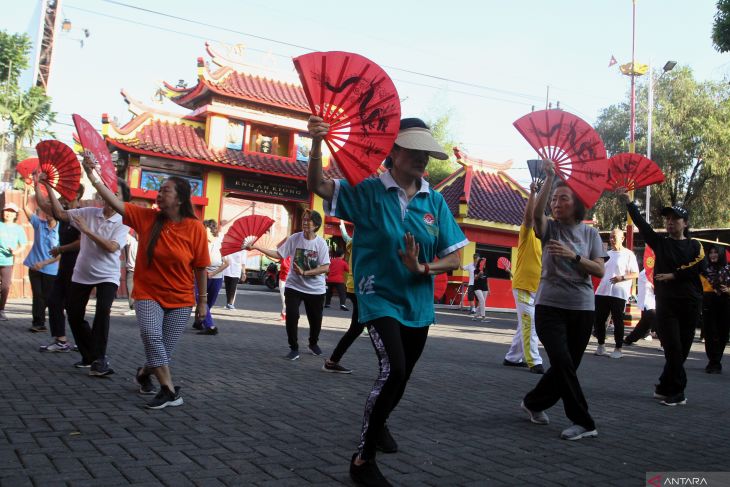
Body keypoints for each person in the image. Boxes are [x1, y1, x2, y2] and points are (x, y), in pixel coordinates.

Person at [307, 116, 468, 486]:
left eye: (427, 152)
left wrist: (422, 266)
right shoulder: (367, 191)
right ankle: (363, 459)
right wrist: (316, 144)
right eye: (414, 149)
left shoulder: (435, 200)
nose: (423, 158)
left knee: (403, 377)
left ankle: (379, 423)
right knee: (393, 370)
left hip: (418, 304)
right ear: (392, 152)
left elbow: (456, 257)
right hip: (377, 295)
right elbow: (317, 184)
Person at [82, 158, 209, 409]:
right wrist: (92, 174)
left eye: (166, 190)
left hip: (181, 299)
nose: (159, 194)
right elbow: (114, 201)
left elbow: (201, 267)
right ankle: (169, 391)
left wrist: (202, 302)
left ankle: (143, 374)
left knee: (163, 351)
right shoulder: (146, 218)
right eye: (159, 190)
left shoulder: (196, 228)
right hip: (148, 293)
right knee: (152, 336)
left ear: (180, 199)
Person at [520, 160, 606, 441]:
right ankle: (583, 421)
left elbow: (599, 270)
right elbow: (536, 216)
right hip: (549, 306)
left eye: (563, 198)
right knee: (562, 361)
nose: (557, 203)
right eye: (554, 199)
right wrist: (549, 179)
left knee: (565, 366)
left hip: (582, 308)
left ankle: (533, 402)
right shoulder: (550, 230)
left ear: (576, 203)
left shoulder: (590, 233)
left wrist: (574, 256)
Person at [618, 191, 704, 406]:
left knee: (682, 351)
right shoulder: (660, 242)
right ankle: (678, 393)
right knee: (673, 348)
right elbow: (642, 225)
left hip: (690, 304)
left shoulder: (695, 246)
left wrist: (674, 275)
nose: (670, 223)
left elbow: (700, 267)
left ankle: (664, 387)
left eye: (675, 219)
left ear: (685, 223)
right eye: (667, 219)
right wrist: (630, 204)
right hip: (666, 305)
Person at [42, 174, 130, 376]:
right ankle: (90, 354)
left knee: (102, 312)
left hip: (108, 275)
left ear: (122, 200)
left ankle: (100, 359)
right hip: (82, 272)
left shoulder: (123, 223)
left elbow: (111, 247)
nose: (110, 195)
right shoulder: (90, 212)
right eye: (108, 191)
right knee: (73, 313)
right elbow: (60, 214)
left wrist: (86, 231)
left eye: (116, 193)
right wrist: (48, 186)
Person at [248, 209, 330, 360]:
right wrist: (257, 247)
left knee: (316, 320)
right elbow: (279, 254)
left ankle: (313, 343)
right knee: (292, 315)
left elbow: (325, 267)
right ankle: (294, 347)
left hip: (315, 289)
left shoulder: (321, 243)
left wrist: (305, 273)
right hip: (294, 286)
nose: (305, 222)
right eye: (304, 219)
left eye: (308, 220)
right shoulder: (294, 238)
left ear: (316, 225)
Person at [36, 183, 84, 352]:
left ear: (77, 194)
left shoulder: (82, 214)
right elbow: (43, 205)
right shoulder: (63, 214)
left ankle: (84, 341)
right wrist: (40, 183)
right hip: (64, 266)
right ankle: (61, 340)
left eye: (67, 191)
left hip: (78, 266)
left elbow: (81, 242)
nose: (63, 194)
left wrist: (61, 249)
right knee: (54, 300)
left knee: (74, 306)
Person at [503, 182, 544, 374]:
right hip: (523, 286)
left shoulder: (547, 240)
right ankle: (534, 360)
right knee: (530, 323)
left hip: (539, 289)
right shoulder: (528, 234)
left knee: (525, 323)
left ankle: (512, 357)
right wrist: (533, 194)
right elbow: (528, 218)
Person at [323, 220, 363, 374]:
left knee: (357, 328)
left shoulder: (353, 241)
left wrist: (341, 224)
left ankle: (333, 361)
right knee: (376, 328)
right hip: (363, 288)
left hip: (354, 286)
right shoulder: (364, 242)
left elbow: (346, 236)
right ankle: (392, 370)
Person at [593, 228, 639, 359]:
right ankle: (601, 345)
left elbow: (635, 273)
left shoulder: (628, 254)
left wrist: (622, 278)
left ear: (622, 238)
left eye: (614, 237)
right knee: (599, 320)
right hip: (602, 291)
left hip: (619, 292)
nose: (612, 240)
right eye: (611, 237)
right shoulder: (607, 254)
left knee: (618, 320)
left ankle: (618, 348)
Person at [22, 186, 59, 333]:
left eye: (52, 212)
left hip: (50, 268)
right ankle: (38, 323)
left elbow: (61, 253)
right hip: (34, 266)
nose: (48, 214)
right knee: (37, 295)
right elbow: (25, 208)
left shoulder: (61, 230)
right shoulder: (39, 224)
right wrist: (27, 189)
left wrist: (45, 262)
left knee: (47, 297)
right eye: (47, 211)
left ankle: (50, 322)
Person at [193, 220, 228, 335]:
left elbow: (226, 263)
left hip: (216, 277)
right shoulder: (198, 243)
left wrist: (213, 274)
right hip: (200, 277)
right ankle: (210, 326)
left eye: (205, 229)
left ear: (210, 230)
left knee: (210, 303)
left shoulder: (219, 244)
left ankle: (198, 321)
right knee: (201, 300)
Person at [700, 245, 730, 374]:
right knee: (710, 332)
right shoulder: (704, 270)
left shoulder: (728, 269)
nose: (713, 255)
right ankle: (713, 361)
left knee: (722, 333)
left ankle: (716, 360)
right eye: (711, 252)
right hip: (708, 302)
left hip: (725, 302)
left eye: (716, 252)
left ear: (721, 254)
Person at [0, 202, 27, 321]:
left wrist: (16, 251)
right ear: (3, 212)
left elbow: (23, 244)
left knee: (5, 286)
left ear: (15, 214)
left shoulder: (18, 229)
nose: (8, 214)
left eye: (12, 212)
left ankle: (1, 310)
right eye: (7, 211)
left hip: (7, 261)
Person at [624, 268, 657, 346]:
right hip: (650, 302)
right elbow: (654, 287)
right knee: (656, 320)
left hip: (652, 302)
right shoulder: (646, 272)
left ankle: (629, 339)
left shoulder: (651, 271)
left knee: (645, 323)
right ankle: (666, 344)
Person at [124, 231, 138, 316]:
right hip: (131, 269)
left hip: (141, 270)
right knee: (130, 289)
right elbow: (124, 234)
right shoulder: (132, 240)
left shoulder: (146, 241)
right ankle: (132, 307)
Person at [471, 257, 489, 322]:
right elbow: (475, 278)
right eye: (483, 262)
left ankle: (475, 316)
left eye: (484, 263)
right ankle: (483, 317)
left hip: (485, 288)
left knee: (482, 302)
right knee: (482, 301)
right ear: (480, 263)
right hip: (477, 287)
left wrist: (489, 289)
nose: (484, 264)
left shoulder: (486, 270)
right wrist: (479, 274)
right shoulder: (476, 270)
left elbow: (487, 280)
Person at [278, 255, 291, 320]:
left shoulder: (295, 254)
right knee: (284, 298)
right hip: (283, 279)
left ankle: (284, 312)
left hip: (292, 281)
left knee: (289, 299)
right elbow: (283, 265)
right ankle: (284, 313)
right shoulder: (283, 254)